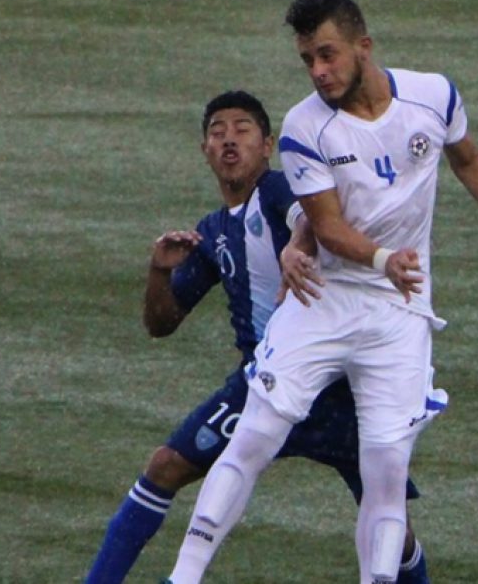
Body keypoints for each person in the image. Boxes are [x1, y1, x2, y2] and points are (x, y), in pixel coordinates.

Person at [163, 0, 478, 584]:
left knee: (385, 470)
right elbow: (328, 226)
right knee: (255, 435)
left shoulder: (433, 96)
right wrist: (379, 257)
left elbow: (467, 157)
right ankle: (184, 577)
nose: (318, 72)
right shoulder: (307, 125)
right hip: (324, 300)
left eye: (327, 55)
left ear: (364, 46)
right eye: (307, 59)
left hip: (399, 311)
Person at [82, 90, 433, 584]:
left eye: (242, 129)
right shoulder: (212, 232)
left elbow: (307, 218)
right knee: (165, 466)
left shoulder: (276, 190)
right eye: (217, 132)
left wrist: (295, 247)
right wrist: (158, 273)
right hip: (261, 385)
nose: (229, 140)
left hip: (337, 390)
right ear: (204, 150)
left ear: (267, 145)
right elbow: (161, 325)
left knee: (391, 528)